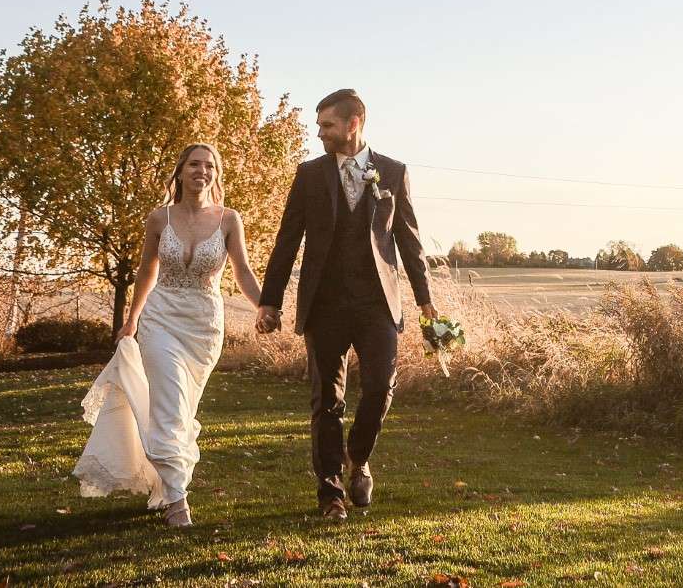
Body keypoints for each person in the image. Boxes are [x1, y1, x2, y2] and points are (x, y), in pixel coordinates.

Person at [256, 88, 435, 519]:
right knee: (326, 401)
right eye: (319, 126)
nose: (320, 133)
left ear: (353, 123)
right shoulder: (309, 175)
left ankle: (359, 456)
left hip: (377, 305)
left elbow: (409, 242)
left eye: (327, 125)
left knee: (379, 388)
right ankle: (331, 493)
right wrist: (270, 301)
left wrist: (426, 302)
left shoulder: (392, 171)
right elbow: (287, 241)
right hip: (325, 304)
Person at [73, 142, 262, 528]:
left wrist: (265, 305)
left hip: (204, 325)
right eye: (194, 164)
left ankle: (166, 482)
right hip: (160, 318)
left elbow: (242, 270)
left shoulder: (229, 219)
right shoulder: (159, 218)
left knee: (182, 409)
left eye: (210, 165)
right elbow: (147, 271)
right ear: (180, 171)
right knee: (171, 406)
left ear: (216, 174)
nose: (202, 171)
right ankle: (178, 499)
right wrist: (132, 320)